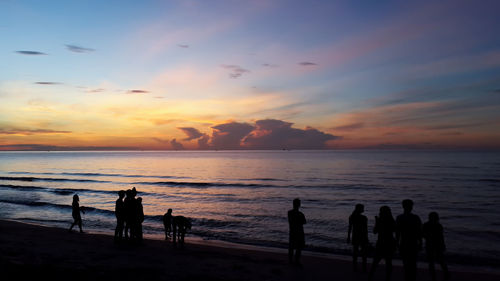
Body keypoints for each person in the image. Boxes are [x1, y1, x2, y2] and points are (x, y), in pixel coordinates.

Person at [396, 199, 422, 281]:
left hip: (404, 243)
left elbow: (398, 233)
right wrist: (420, 242)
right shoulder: (416, 217)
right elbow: (419, 232)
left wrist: (397, 243)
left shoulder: (399, 218)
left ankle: (408, 278)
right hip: (412, 243)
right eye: (411, 206)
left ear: (403, 206)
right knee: (413, 264)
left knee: (406, 264)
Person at [368, 206, 397, 281]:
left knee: (375, 262)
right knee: (388, 262)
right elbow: (395, 230)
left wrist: (377, 222)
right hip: (389, 242)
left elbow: (375, 232)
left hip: (381, 243)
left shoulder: (380, 220)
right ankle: (388, 278)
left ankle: (370, 277)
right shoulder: (391, 220)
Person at [423, 212, 450, 281]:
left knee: (431, 262)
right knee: (441, 261)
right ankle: (446, 275)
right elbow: (441, 237)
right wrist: (443, 245)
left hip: (429, 244)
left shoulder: (425, 225)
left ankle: (433, 277)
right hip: (438, 245)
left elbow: (422, 235)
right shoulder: (438, 225)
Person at [347, 203, 369, 272]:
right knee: (364, 253)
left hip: (355, 235)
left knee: (355, 253)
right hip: (363, 236)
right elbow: (365, 229)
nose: (363, 209)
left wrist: (348, 237)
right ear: (360, 209)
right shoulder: (364, 218)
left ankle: (355, 267)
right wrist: (367, 238)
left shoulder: (351, 217)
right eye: (362, 208)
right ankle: (364, 268)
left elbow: (350, 228)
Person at [288, 198, 306, 266]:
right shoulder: (300, 214)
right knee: (298, 248)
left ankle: (290, 261)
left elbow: (291, 222)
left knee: (291, 247)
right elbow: (304, 222)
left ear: (293, 204)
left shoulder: (289, 212)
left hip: (292, 231)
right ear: (299, 205)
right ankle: (296, 261)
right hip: (299, 232)